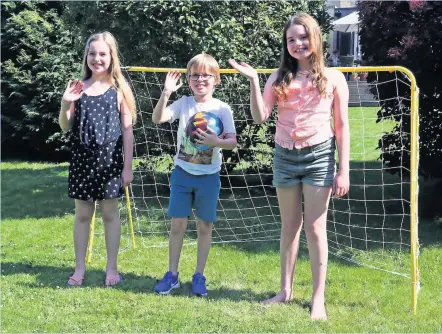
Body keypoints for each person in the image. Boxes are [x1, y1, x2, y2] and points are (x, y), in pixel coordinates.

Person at [229, 13, 350, 320]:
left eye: (303, 37)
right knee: (289, 227)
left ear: (315, 38)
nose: (297, 44)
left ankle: (318, 298)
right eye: (291, 40)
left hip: (319, 157)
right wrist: (255, 81)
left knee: (315, 228)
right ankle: (285, 290)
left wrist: (343, 170)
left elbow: (342, 126)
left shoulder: (334, 78)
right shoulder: (278, 77)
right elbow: (260, 117)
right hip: (284, 157)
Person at [152, 54, 237, 296]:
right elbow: (157, 119)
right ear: (188, 79)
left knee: (204, 226)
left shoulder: (222, 108)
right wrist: (167, 92)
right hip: (182, 174)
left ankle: (199, 275)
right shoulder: (184, 104)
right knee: (177, 225)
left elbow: (232, 142)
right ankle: (172, 275)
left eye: (206, 75)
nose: (200, 79)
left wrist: (215, 141)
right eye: (195, 75)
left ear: (216, 79)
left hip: (209, 177)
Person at [59, 31, 136, 287]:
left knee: (110, 215)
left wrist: (127, 167)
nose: (97, 58)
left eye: (102, 53)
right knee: (82, 216)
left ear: (111, 57)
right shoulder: (77, 88)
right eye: (92, 53)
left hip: (110, 165)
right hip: (82, 163)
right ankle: (79, 268)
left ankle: (111, 269)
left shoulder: (119, 89)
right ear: (86, 57)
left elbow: (127, 131)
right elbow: (65, 126)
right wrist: (64, 104)